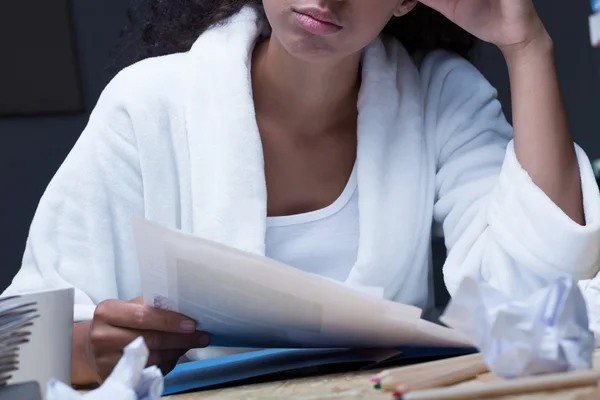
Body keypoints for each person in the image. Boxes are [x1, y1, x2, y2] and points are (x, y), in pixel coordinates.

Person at [4, 0, 600, 387]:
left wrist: (527, 47)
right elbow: (16, 346)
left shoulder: (439, 99)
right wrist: (91, 348)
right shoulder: (147, 106)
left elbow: (543, 300)